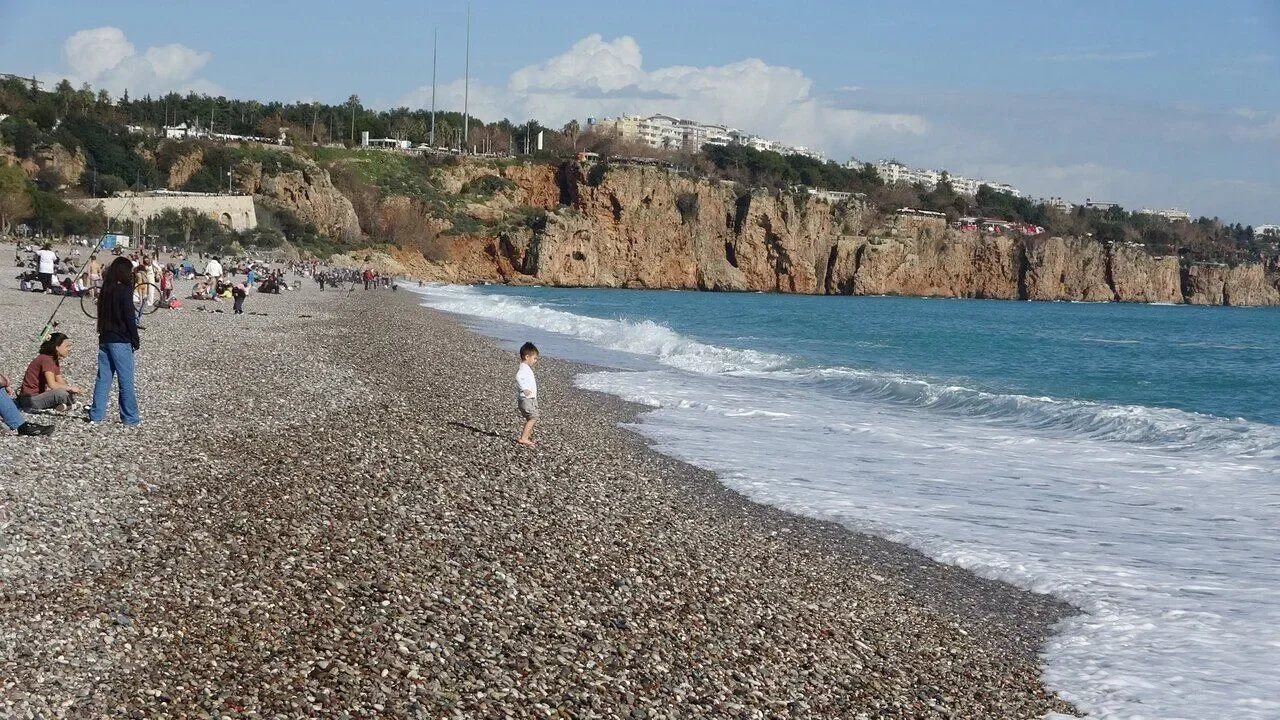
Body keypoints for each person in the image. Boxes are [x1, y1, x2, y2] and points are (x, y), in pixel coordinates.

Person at [87, 257, 141, 425]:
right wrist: (135, 338)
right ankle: (130, 417)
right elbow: (129, 318)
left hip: (105, 337)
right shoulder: (124, 290)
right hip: (120, 340)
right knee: (125, 380)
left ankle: (96, 415)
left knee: (103, 378)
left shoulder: (106, 289)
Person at [18, 332, 84, 411]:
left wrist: (72, 390)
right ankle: (68, 405)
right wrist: (70, 388)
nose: (69, 349)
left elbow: (59, 380)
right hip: (30, 400)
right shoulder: (46, 359)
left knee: (67, 393)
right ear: (57, 347)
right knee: (61, 394)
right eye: (67, 346)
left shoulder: (54, 360)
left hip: (38, 396)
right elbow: (52, 384)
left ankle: (65, 405)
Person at [515, 342, 540, 447]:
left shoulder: (525, 368)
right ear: (527, 357)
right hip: (526, 399)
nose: (535, 361)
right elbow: (518, 377)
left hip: (530, 399)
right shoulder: (524, 368)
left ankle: (527, 435)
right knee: (533, 417)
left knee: (533, 417)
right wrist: (524, 389)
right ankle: (524, 438)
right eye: (534, 358)